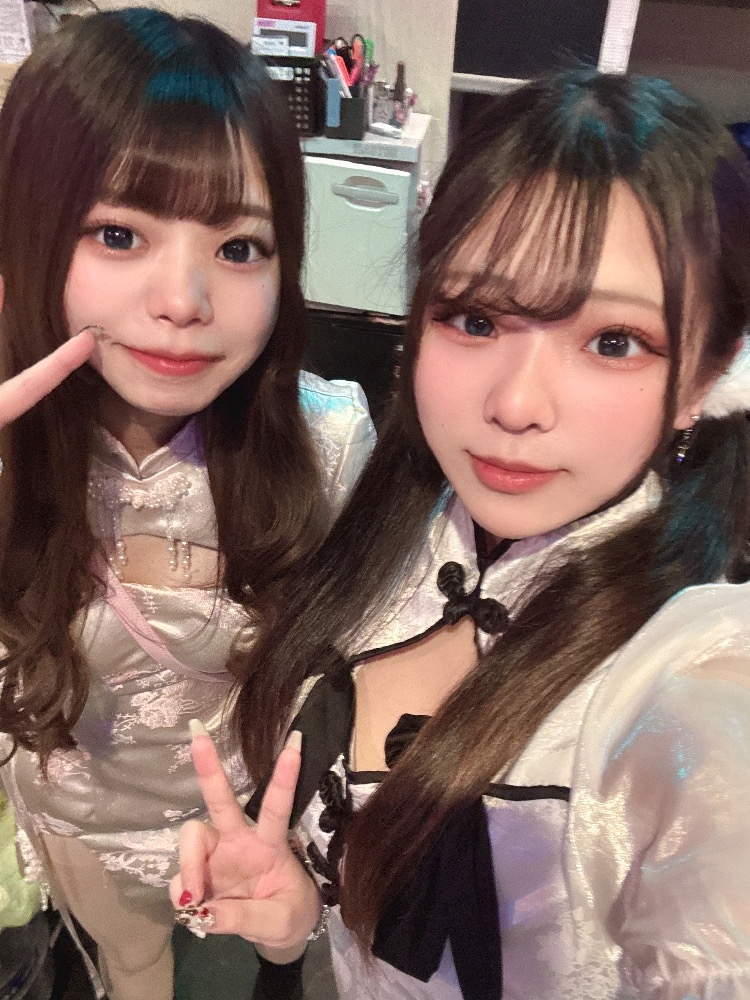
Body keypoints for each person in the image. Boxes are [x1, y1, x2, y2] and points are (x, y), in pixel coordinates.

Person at [174, 68, 750, 999]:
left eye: (613, 342)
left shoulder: (694, 675)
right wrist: (301, 909)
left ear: (704, 378)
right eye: (476, 319)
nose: (515, 404)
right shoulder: (401, 518)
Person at [0, 9, 375, 1000]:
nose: (184, 300)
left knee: (277, 955)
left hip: (261, 813)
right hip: (83, 815)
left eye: (240, 246)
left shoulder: (331, 442)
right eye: (119, 233)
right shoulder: (12, 447)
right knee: (135, 969)